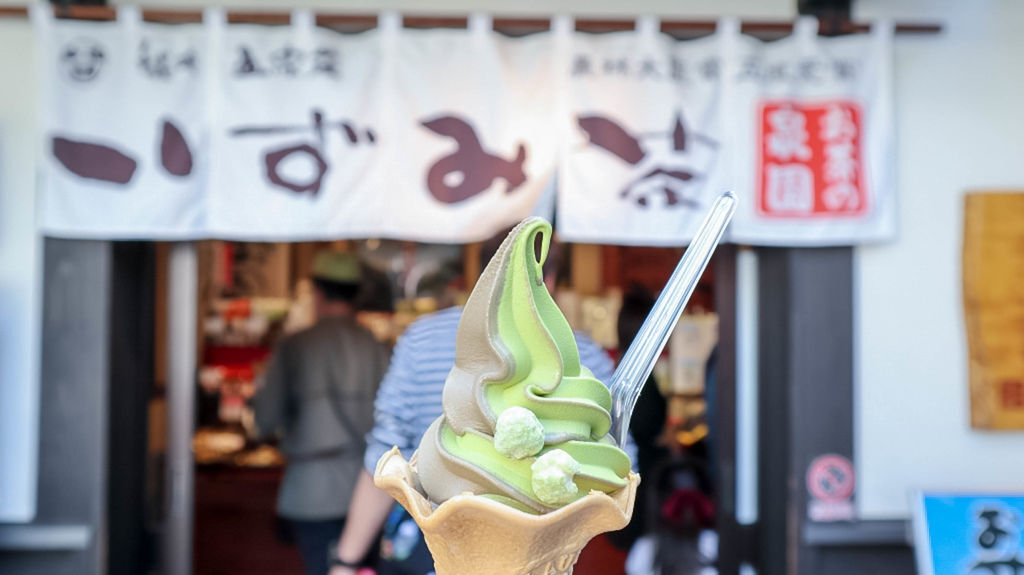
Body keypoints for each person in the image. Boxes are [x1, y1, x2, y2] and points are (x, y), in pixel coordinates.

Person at [327, 236, 624, 575]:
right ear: (549, 281)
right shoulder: (584, 360)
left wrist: (346, 560)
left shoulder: (420, 339)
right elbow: (613, 468)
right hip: (545, 557)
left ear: (483, 274)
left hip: (429, 545)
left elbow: (384, 451)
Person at [253, 251, 389, 575]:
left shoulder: (295, 346)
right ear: (357, 295)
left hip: (309, 491)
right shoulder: (378, 347)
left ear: (316, 293)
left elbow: (264, 420)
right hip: (368, 488)